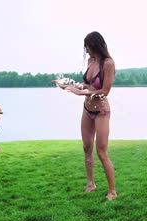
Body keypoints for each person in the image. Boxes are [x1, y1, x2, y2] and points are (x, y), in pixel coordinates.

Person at [53, 31, 117, 200]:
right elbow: (87, 85)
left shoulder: (108, 63)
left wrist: (78, 93)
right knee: (87, 147)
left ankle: (112, 191)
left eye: (87, 47)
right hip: (87, 110)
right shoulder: (91, 61)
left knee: (101, 151)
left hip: (101, 111)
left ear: (95, 45)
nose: (86, 51)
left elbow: (104, 91)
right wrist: (67, 85)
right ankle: (91, 183)